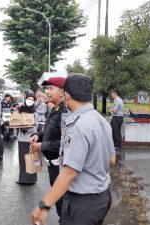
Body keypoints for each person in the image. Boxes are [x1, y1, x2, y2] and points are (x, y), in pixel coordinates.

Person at [31, 74, 116, 225]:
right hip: (101, 197)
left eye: (51, 88)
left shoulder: (78, 125)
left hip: (82, 203)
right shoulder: (100, 120)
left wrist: (44, 206)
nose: (48, 91)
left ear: (67, 95)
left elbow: (70, 172)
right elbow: (111, 160)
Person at [30, 76, 67, 218]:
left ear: (62, 92)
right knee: (58, 200)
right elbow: (49, 130)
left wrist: (42, 146)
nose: (47, 91)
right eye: (47, 88)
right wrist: (38, 135)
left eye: (51, 88)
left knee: (63, 202)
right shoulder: (55, 109)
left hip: (60, 166)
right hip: (52, 165)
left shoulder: (65, 112)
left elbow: (64, 144)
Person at [17, 92, 38, 184]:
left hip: (31, 138)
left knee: (32, 158)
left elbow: (36, 126)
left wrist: (28, 127)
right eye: (29, 99)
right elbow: (15, 121)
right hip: (22, 138)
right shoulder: (20, 109)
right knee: (22, 160)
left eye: (32, 100)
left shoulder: (35, 112)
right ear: (25, 99)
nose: (30, 101)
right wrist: (19, 126)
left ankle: (31, 179)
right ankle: (23, 179)